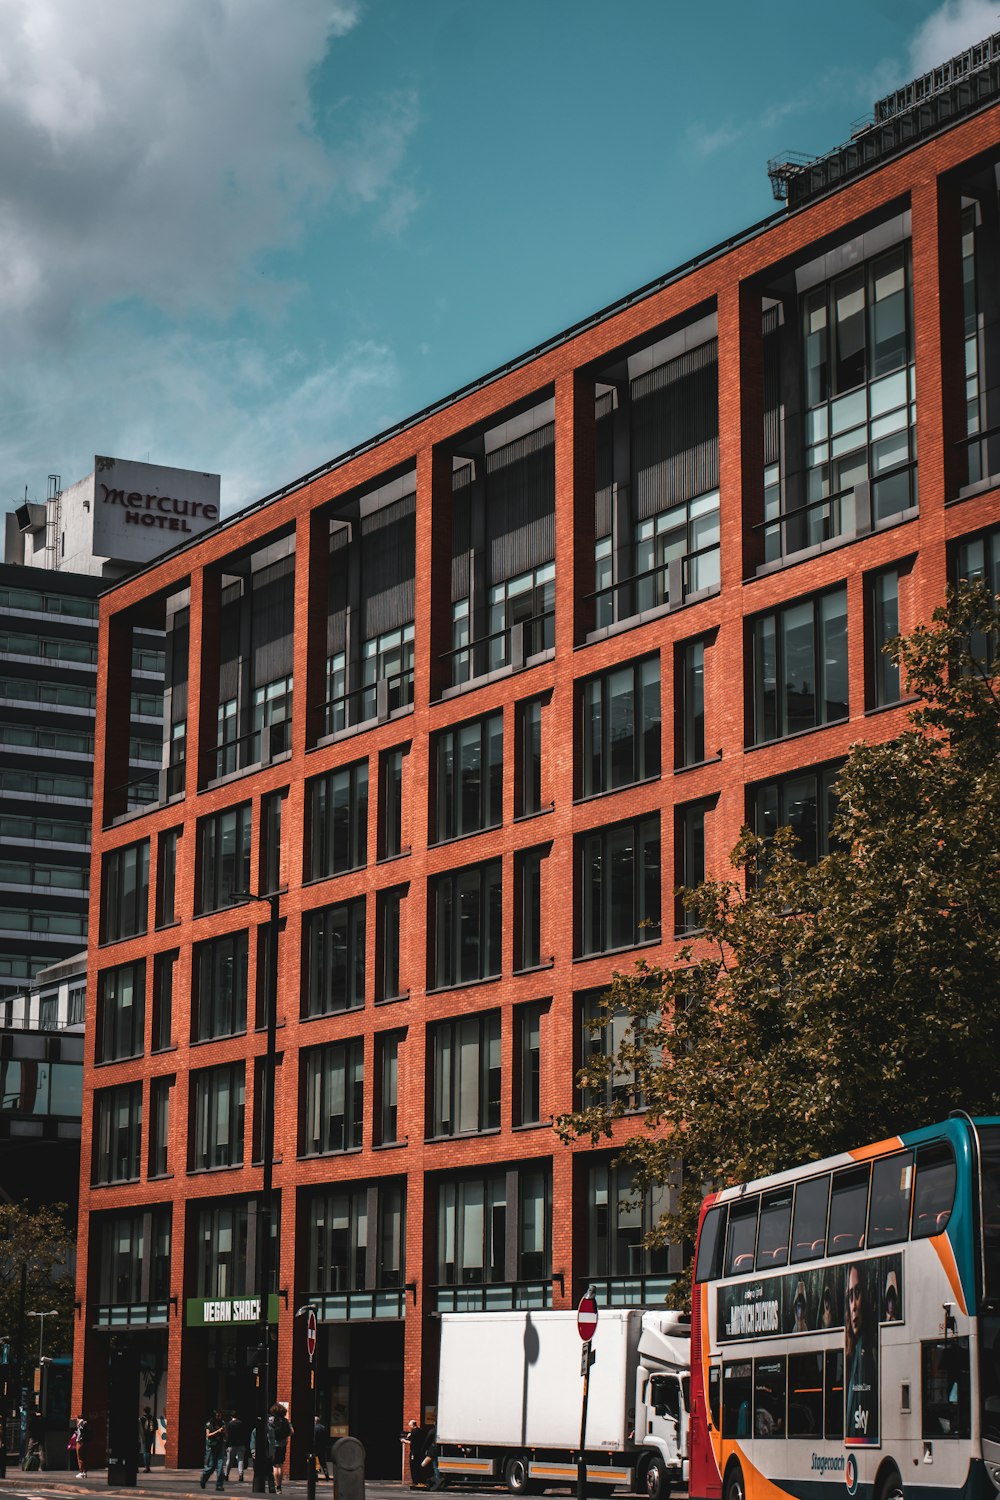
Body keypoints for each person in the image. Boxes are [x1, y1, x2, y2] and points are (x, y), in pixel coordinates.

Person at [845, 1263, 878, 1443]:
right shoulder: (854, 1350)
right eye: (850, 1296)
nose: (854, 1306)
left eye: (857, 1294)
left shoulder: (868, 1350)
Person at [200, 1410, 228, 1491]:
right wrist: (217, 1431)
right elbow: (208, 1435)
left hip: (220, 1445)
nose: (219, 1417)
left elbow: (225, 1433)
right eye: (218, 1415)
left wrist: (224, 1433)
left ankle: (219, 1485)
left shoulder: (222, 1423)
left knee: (220, 1466)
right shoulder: (209, 1424)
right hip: (212, 1446)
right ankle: (204, 1478)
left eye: (220, 1415)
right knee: (211, 1466)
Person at [268, 1405, 292, 1494]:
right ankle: (279, 1486)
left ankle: (275, 1484)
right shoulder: (286, 1421)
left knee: (274, 1465)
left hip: (273, 1445)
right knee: (280, 1465)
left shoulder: (270, 1420)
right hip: (282, 1445)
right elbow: (292, 1431)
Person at [226, 1413, 248, 1482]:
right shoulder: (242, 1424)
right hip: (241, 1444)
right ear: (238, 1416)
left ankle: (226, 1475)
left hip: (231, 1445)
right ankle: (241, 1474)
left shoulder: (229, 1424)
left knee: (229, 1460)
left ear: (231, 1416)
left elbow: (227, 1435)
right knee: (240, 1460)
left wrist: (226, 1445)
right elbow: (245, 1434)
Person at [139, 1407, 156, 1474]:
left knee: (145, 1452)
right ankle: (148, 1466)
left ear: (144, 1411)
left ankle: (146, 1467)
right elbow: (156, 1427)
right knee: (149, 1451)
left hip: (144, 1437)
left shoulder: (141, 1419)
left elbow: (140, 1429)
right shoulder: (153, 1418)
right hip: (151, 1437)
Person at [312, 1416, 329, 1481]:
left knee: (315, 1462)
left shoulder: (314, 1428)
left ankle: (315, 1475)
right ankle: (326, 1474)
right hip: (322, 1447)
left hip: (315, 1447)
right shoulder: (323, 1427)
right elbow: (326, 1438)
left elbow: (314, 1438)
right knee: (323, 1462)